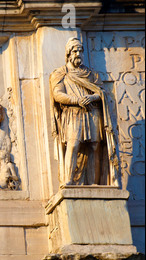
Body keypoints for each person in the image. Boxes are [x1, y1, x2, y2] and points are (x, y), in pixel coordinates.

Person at [50, 37, 119, 186]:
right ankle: (68, 180)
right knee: (73, 145)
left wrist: (93, 97)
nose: (78, 54)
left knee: (95, 146)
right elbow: (57, 94)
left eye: (80, 51)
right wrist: (77, 100)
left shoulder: (91, 74)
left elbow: (102, 92)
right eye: (75, 51)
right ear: (68, 53)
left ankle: (95, 183)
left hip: (93, 112)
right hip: (73, 113)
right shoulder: (61, 73)